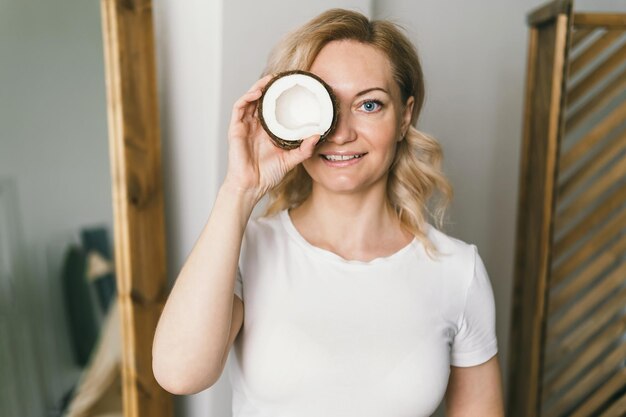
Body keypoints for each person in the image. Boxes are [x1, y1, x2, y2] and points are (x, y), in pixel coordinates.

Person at [152, 8, 505, 417]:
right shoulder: (244, 249)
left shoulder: (457, 271)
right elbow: (179, 374)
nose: (340, 133)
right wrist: (239, 190)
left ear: (405, 116)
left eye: (369, 105)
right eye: (325, 106)